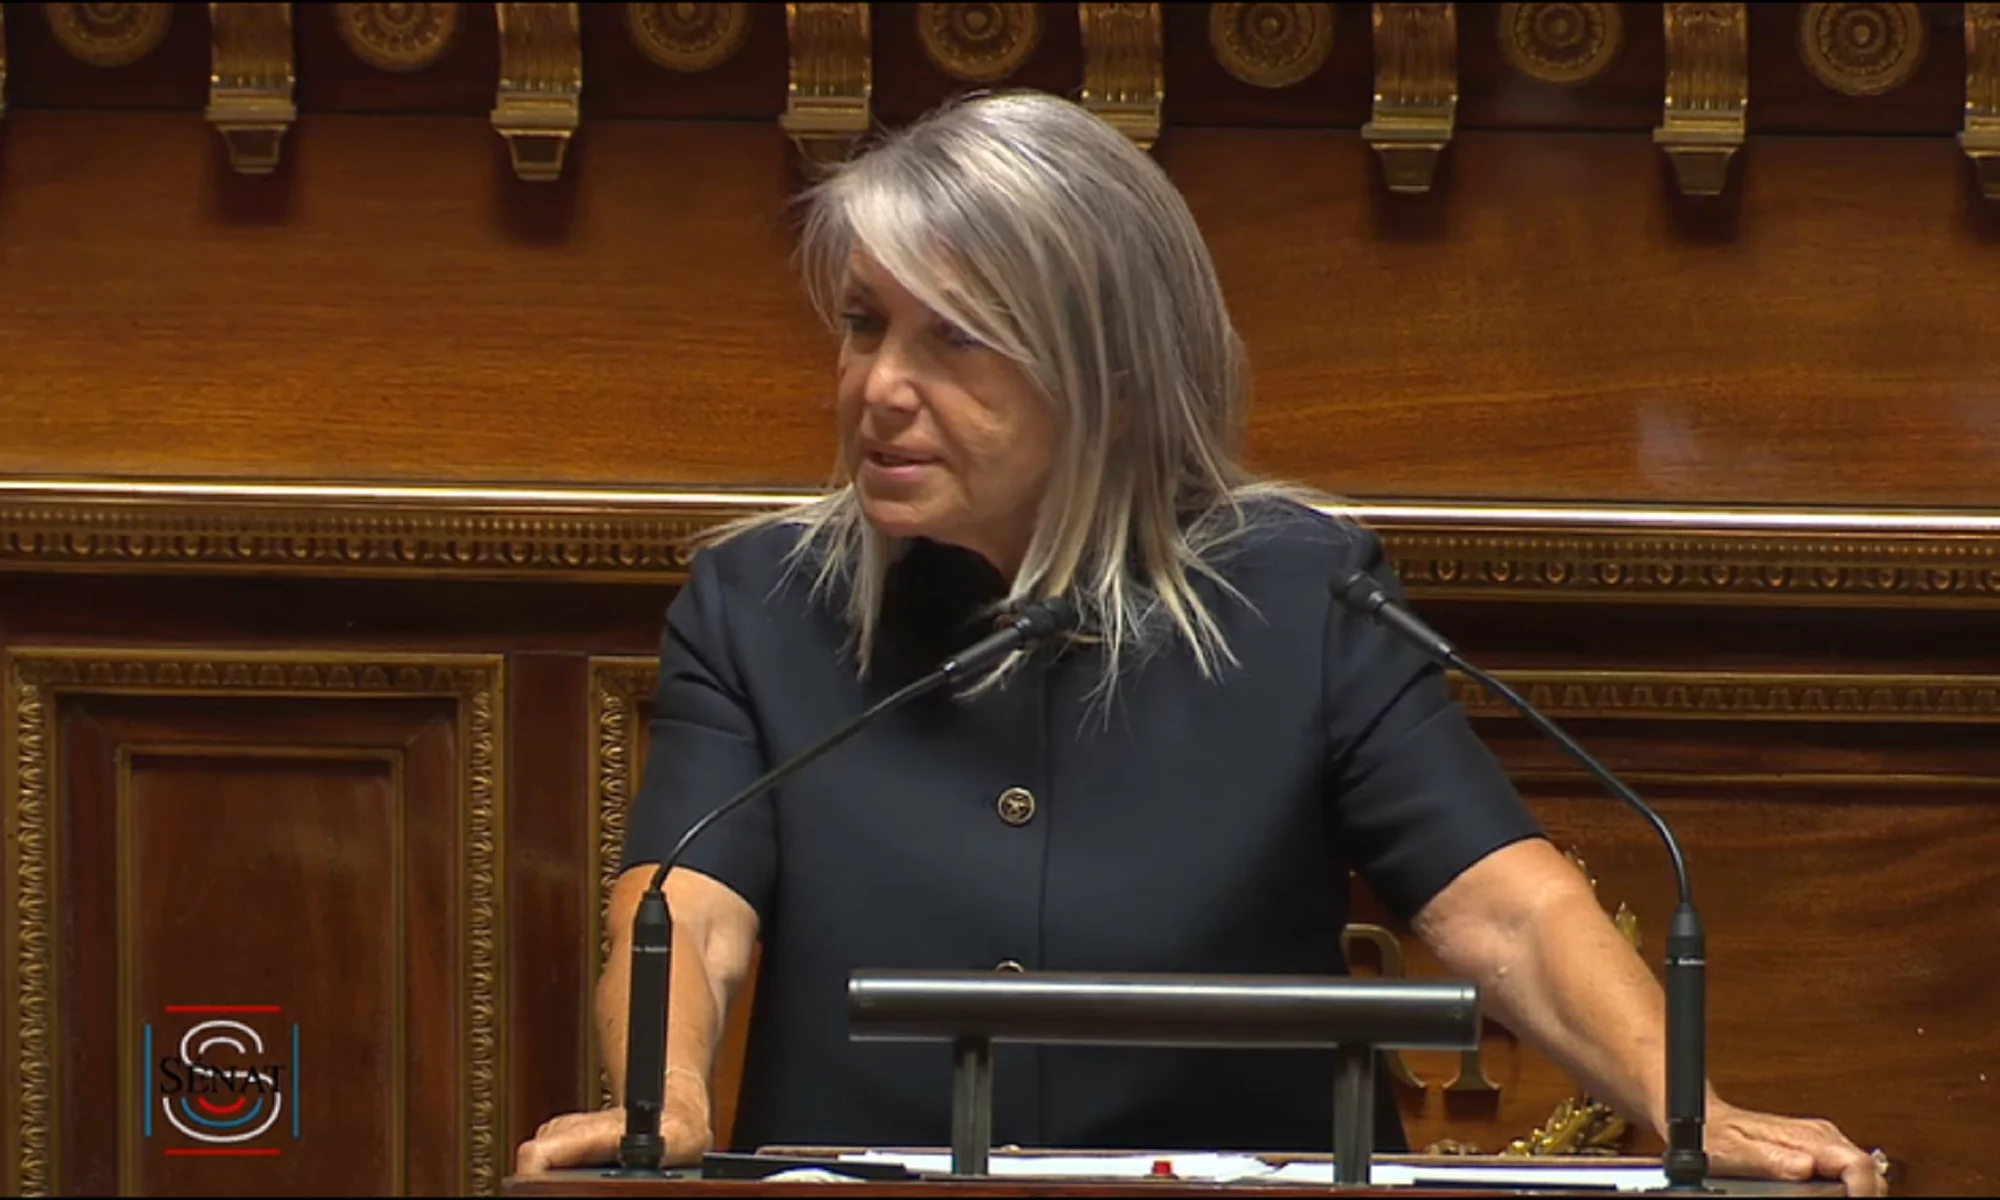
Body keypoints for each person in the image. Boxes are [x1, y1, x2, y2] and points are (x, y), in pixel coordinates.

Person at [516, 91, 1885, 1195]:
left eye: (957, 342)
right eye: (865, 325)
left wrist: (1695, 1111)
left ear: (1108, 375)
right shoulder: (762, 600)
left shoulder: (1301, 596)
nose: (880, 387)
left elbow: (1504, 906)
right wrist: (666, 1098)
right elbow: (684, 909)